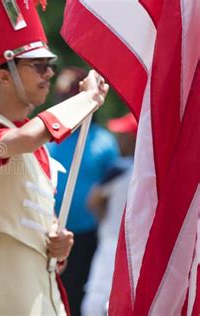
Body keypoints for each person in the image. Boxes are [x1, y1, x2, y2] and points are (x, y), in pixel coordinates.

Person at [0, 0, 109, 315]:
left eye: (50, 65)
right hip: (7, 285)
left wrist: (59, 245)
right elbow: (25, 138)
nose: (49, 74)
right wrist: (84, 100)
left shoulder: (40, 148)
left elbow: (36, 221)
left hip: (44, 286)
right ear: (4, 76)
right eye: (39, 65)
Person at [46, 67, 120, 316]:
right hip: (50, 236)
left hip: (90, 237)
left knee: (83, 301)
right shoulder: (46, 139)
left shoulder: (104, 142)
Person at [81, 113, 137, 316]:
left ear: (133, 138)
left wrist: (103, 218)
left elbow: (92, 200)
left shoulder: (119, 168)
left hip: (112, 242)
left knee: (95, 301)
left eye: (123, 135)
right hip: (138, 245)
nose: (118, 140)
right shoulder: (154, 168)